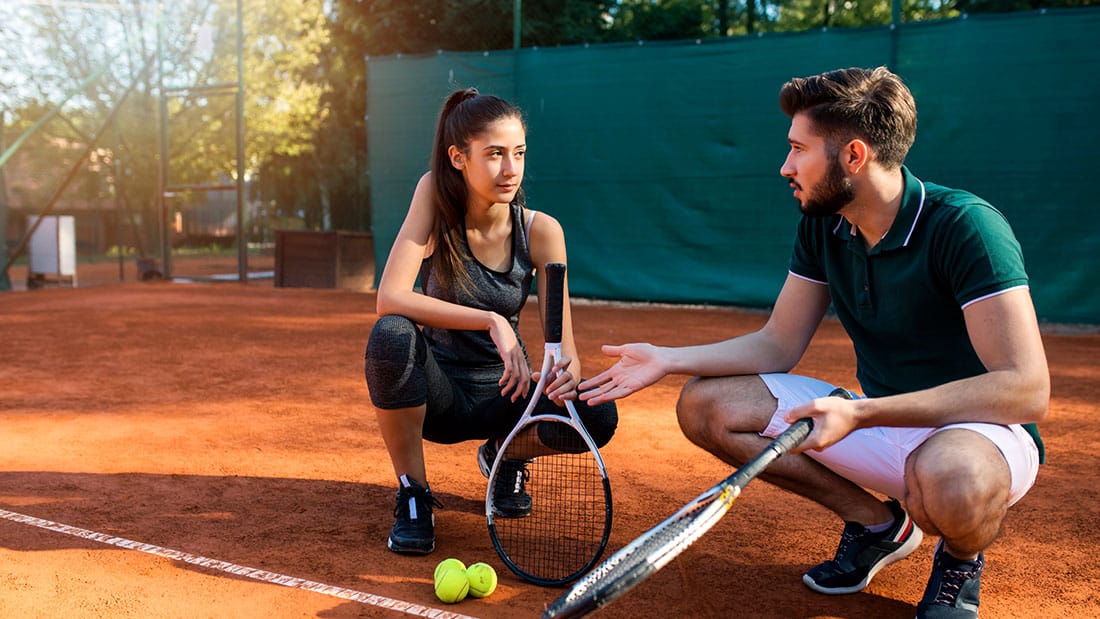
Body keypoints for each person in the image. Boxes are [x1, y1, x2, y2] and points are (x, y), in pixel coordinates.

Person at [578, 66, 1048, 618]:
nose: (785, 167)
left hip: (979, 435)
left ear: (853, 157)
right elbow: (778, 344)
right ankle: (878, 527)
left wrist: (864, 412)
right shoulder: (825, 224)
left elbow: (1026, 389)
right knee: (708, 404)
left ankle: (960, 564)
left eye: (798, 149)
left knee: (947, 480)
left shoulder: (966, 227)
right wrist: (666, 359)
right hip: (881, 424)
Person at [364, 88, 618, 555]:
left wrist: (562, 375)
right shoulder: (434, 200)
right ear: (458, 158)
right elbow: (390, 297)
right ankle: (414, 494)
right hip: (439, 395)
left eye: (519, 153)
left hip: (510, 394)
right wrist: (492, 321)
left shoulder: (542, 231)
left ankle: (504, 455)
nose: (511, 169)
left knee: (597, 410)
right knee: (391, 335)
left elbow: (567, 349)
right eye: (495, 154)